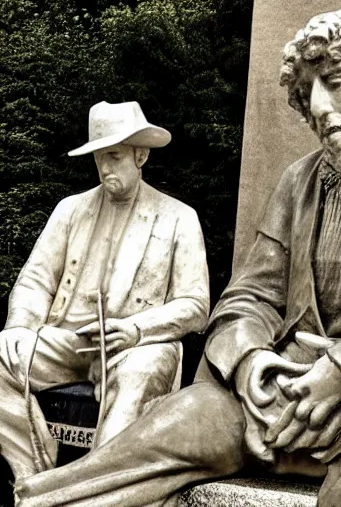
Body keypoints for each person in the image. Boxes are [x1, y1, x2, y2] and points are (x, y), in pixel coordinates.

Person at [15, 9, 341, 507]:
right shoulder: (299, 182)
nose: (318, 106)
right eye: (307, 95)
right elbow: (245, 299)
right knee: (178, 419)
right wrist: (252, 358)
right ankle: (39, 499)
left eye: (335, 82)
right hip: (282, 400)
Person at [0, 101, 209, 481]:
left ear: (140, 154)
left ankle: (96, 490)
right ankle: (34, 473)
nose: (105, 167)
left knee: (144, 370)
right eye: (100, 158)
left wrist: (136, 330)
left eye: (114, 156)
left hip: (134, 347)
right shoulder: (70, 210)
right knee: (1, 350)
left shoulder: (180, 217)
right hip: (65, 341)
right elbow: (35, 281)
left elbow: (195, 305)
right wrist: (19, 326)